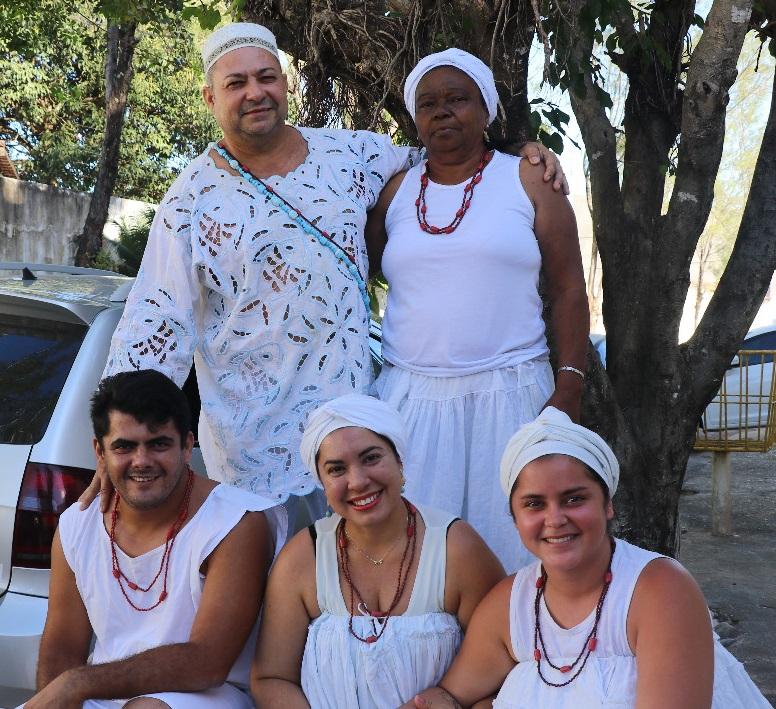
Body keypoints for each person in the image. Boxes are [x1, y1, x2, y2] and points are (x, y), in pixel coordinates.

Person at [84, 24, 566, 528]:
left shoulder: (351, 155)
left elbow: (450, 156)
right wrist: (117, 441)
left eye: (266, 77)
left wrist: (522, 152)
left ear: (284, 83)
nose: (255, 92)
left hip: (354, 440)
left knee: (364, 571)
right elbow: (155, 323)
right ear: (210, 98)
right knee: (271, 576)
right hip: (252, 453)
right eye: (236, 83)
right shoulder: (190, 200)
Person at [366, 48, 589, 571]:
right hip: (411, 400)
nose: (442, 111)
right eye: (428, 103)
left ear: (486, 109)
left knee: (516, 557)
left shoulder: (528, 180)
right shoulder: (395, 191)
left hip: (513, 397)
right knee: (416, 562)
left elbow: (568, 289)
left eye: (457, 99)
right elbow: (354, 271)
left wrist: (570, 387)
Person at [405, 407, 772, 709]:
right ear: (515, 518)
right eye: (534, 504)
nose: (555, 519)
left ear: (607, 504)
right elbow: (451, 695)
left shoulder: (660, 590)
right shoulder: (510, 605)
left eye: (574, 499)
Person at [23, 370, 285, 709]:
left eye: (159, 444)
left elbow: (207, 662)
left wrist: (79, 682)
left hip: (206, 695)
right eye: (124, 446)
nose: (142, 461)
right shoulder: (77, 525)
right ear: (100, 453)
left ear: (187, 446)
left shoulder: (235, 522)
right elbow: (62, 647)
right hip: (103, 694)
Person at [250, 394, 505, 708]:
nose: (357, 482)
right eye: (336, 469)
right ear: (323, 483)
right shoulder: (303, 558)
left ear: (399, 461)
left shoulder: (457, 550)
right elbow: (271, 678)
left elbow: (500, 672)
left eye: (371, 458)